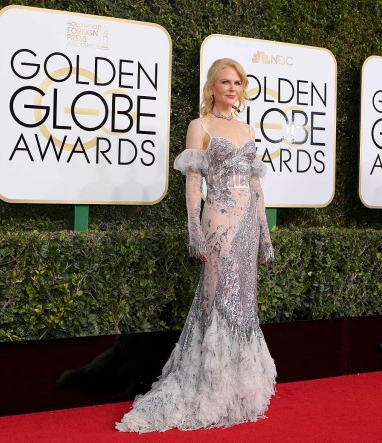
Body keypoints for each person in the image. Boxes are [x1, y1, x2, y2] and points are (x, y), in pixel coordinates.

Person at [116, 58, 276, 433]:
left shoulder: (246, 127)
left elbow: (256, 187)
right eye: (225, 81)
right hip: (218, 218)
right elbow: (192, 184)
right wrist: (194, 229)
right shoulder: (199, 126)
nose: (232, 88)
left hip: (248, 221)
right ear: (212, 86)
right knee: (216, 297)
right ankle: (208, 387)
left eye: (237, 82)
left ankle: (237, 392)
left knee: (243, 301)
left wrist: (265, 233)